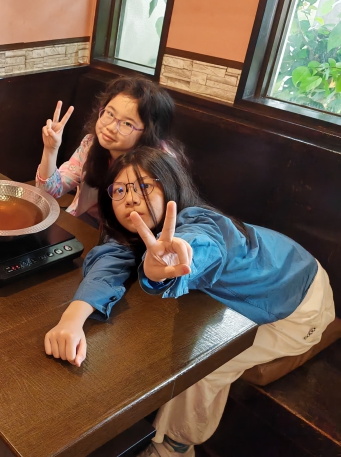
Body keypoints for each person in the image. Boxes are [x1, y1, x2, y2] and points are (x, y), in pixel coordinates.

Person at [43, 147, 335, 456]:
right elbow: (108, 265)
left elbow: (201, 247)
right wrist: (72, 320)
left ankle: (175, 445)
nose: (130, 198)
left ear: (170, 186)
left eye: (143, 187)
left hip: (299, 304)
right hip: (275, 276)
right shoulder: (133, 235)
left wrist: (174, 259)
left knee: (204, 363)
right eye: (119, 190)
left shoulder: (202, 224)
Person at [35, 76, 177, 225]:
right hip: (84, 224)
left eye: (127, 124)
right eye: (109, 113)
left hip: (128, 232)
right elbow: (49, 192)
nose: (110, 127)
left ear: (148, 132)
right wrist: (50, 150)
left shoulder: (160, 163)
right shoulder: (90, 145)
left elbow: (162, 221)